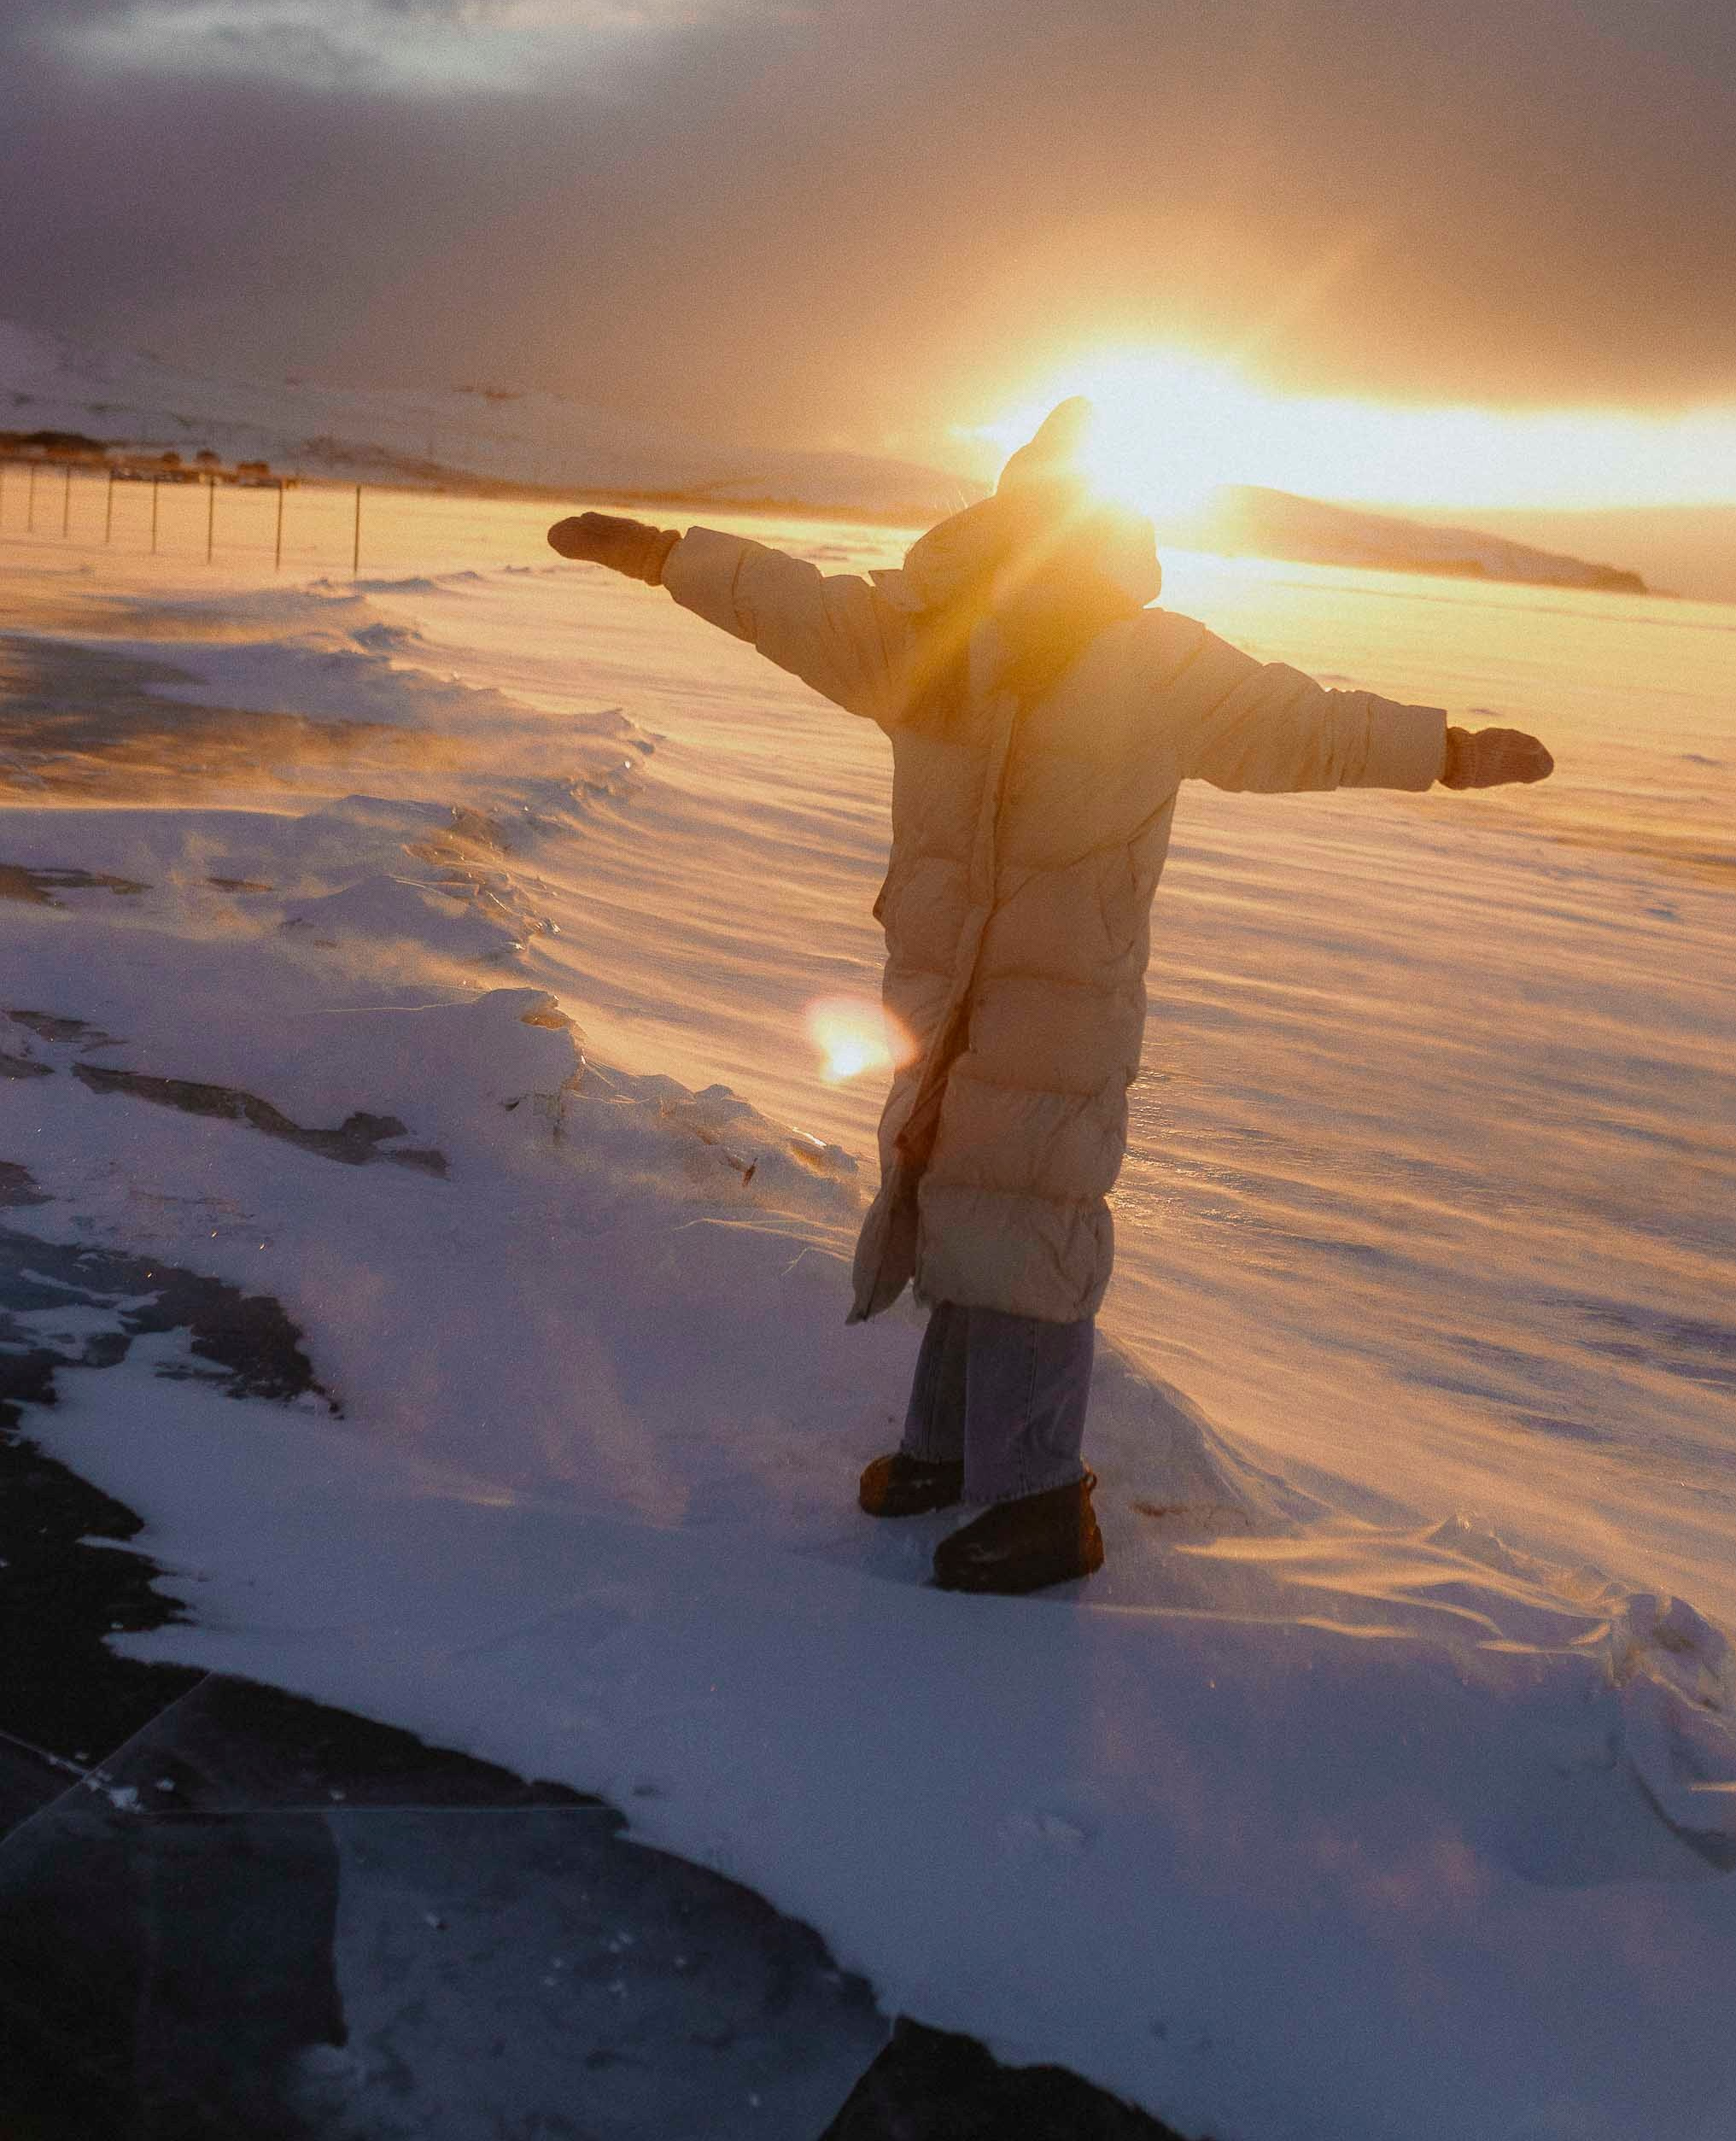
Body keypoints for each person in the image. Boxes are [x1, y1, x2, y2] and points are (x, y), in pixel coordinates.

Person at [549, 400, 1552, 1600]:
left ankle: (1038, 1499)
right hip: (937, 980)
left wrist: (1444, 751)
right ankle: (947, 1449)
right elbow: (792, 606)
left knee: (1030, 1210)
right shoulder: (924, 638)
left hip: (1067, 985)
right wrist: (666, 556)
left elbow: (1302, 725)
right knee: (949, 1185)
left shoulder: (1153, 664)